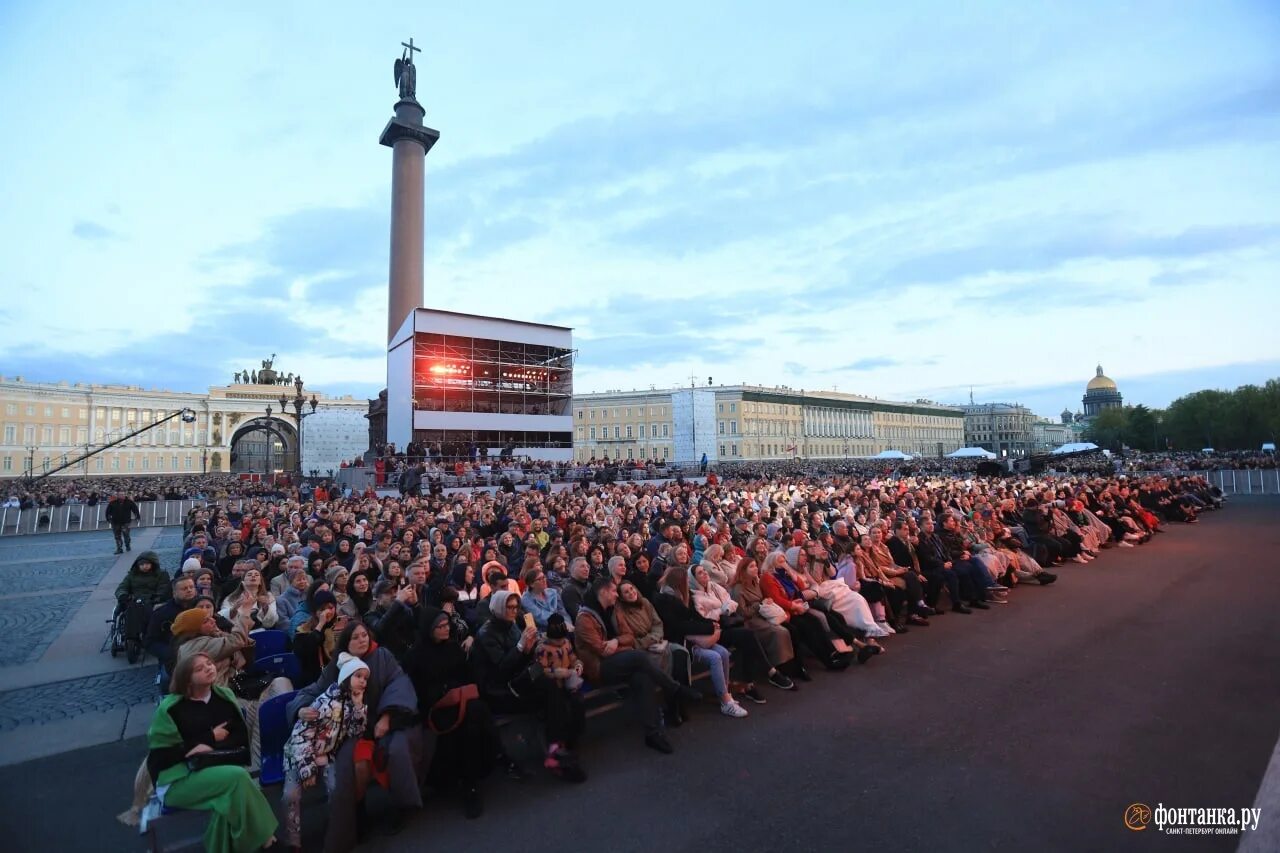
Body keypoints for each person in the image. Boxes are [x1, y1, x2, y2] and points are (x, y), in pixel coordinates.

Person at [287, 622, 423, 846]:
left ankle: (404, 806)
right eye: (356, 637)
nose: (362, 640)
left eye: (364, 635)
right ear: (346, 643)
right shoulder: (338, 665)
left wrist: (387, 717)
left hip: (389, 720)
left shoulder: (383, 656)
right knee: (349, 764)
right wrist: (299, 709)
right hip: (352, 730)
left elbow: (398, 683)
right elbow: (313, 690)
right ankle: (355, 816)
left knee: (398, 750)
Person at [145, 653, 278, 853]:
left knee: (232, 797)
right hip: (178, 778)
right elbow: (160, 757)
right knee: (239, 779)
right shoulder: (170, 709)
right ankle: (267, 837)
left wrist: (208, 748)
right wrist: (208, 739)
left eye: (209, 663)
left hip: (216, 768)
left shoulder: (224, 697)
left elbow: (239, 738)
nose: (209, 668)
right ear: (187, 679)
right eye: (199, 668)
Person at [472, 590, 586, 781]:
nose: (513, 611)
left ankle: (559, 746)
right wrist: (520, 647)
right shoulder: (486, 634)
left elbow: (522, 660)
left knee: (559, 690)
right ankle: (557, 749)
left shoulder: (512, 626)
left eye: (516, 607)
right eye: (509, 607)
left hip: (517, 681)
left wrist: (531, 647)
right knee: (551, 689)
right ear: (498, 608)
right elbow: (500, 671)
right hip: (499, 691)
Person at [577, 578, 703, 746]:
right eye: (614, 591)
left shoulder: (613, 610)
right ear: (604, 592)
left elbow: (628, 636)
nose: (617, 595)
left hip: (618, 661)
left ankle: (653, 734)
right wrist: (625, 647)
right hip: (600, 668)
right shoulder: (585, 618)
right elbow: (602, 650)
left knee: (642, 678)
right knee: (638, 657)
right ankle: (675, 688)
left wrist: (616, 642)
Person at [407, 609, 502, 818]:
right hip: (436, 708)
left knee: (476, 712)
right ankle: (473, 781)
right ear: (429, 630)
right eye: (440, 627)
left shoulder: (452, 647)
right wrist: (444, 690)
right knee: (473, 717)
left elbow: (466, 674)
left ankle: (476, 775)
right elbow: (419, 688)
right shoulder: (418, 654)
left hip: (460, 701)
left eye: (447, 625)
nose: (446, 629)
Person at [281, 653, 369, 853]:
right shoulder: (324, 703)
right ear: (346, 678)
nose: (363, 681)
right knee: (290, 796)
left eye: (365, 678)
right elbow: (301, 736)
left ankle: (337, 830)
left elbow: (356, 732)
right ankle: (293, 841)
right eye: (358, 676)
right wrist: (307, 769)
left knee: (336, 790)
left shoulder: (352, 703)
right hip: (299, 756)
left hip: (327, 756)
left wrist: (358, 708)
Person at [145, 575, 200, 664]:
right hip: (174, 658)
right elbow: (150, 642)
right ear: (174, 593)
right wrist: (171, 654)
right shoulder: (161, 613)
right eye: (184, 588)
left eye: (191, 587)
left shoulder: (203, 606)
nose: (189, 590)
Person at [520, 566, 573, 631]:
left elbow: (562, 611)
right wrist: (563, 625)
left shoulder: (553, 592)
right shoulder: (526, 599)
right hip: (542, 631)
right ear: (531, 584)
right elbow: (540, 618)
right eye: (540, 579)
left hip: (561, 626)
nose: (544, 580)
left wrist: (569, 624)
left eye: (544, 577)